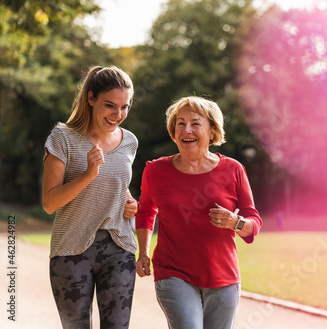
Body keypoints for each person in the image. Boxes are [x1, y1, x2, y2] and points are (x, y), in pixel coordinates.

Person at [135, 96, 263, 329]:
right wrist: (143, 252)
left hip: (223, 276)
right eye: (180, 123)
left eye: (195, 123)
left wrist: (236, 222)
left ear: (212, 131)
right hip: (173, 273)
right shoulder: (156, 171)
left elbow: (253, 221)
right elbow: (145, 212)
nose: (187, 130)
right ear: (173, 132)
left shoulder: (233, 169)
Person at [42, 65, 139, 328]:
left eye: (125, 107)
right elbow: (50, 203)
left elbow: (119, 183)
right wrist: (87, 174)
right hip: (70, 251)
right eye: (110, 105)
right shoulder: (62, 138)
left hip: (118, 247)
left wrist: (130, 203)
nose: (118, 114)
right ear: (91, 98)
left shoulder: (130, 141)